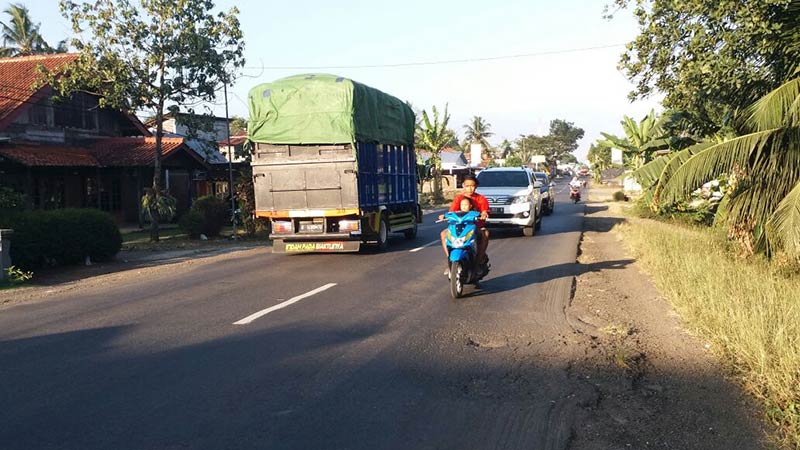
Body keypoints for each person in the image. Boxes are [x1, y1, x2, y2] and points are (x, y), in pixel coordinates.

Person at [438, 174, 490, 275]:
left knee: (485, 234)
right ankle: (451, 262)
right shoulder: (459, 198)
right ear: (463, 186)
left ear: (476, 186)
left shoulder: (481, 199)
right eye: (467, 186)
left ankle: (477, 263)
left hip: (475, 227)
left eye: (472, 186)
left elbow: (485, 210)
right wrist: (444, 216)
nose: (469, 189)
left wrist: (484, 213)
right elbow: (451, 212)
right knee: (443, 234)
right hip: (459, 227)